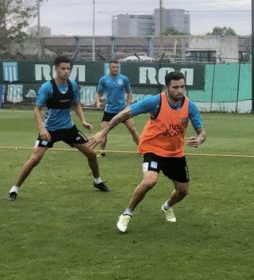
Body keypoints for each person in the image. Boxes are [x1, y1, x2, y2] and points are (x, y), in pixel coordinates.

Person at [88, 71, 206, 233]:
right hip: (153, 148)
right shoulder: (155, 102)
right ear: (167, 88)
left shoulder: (189, 106)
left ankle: (166, 207)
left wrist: (199, 139)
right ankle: (127, 214)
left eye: (182, 87)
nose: (180, 90)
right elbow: (125, 113)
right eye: (175, 87)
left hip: (175, 153)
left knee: (183, 191)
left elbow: (202, 132)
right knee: (150, 180)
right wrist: (104, 131)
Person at [7, 56, 110, 201]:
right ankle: (14, 189)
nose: (66, 71)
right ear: (55, 69)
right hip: (50, 130)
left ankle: (97, 181)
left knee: (92, 154)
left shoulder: (72, 85)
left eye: (68, 68)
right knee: (35, 159)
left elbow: (76, 103)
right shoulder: (47, 87)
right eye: (63, 68)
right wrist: (42, 128)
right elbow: (37, 109)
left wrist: (83, 120)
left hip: (69, 129)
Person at [94, 60, 140, 157]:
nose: (115, 69)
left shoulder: (124, 79)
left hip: (122, 109)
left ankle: (142, 150)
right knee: (103, 132)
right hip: (109, 110)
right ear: (109, 68)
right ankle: (102, 152)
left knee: (132, 128)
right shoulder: (104, 79)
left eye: (117, 67)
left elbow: (129, 92)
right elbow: (98, 93)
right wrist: (98, 102)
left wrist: (128, 105)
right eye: (113, 67)